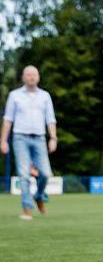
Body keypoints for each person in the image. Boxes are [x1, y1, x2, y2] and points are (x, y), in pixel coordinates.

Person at [0, 66, 57, 220]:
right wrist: (3, 140)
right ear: (23, 77)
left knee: (45, 173)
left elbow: (50, 119)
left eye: (34, 74)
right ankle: (27, 208)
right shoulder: (14, 96)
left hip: (39, 138)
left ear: (38, 77)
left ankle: (39, 196)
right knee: (23, 174)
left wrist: (53, 138)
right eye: (28, 74)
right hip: (20, 138)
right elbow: (8, 119)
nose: (31, 77)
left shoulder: (45, 96)